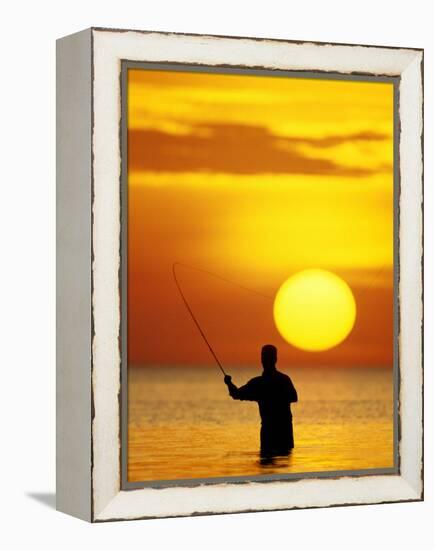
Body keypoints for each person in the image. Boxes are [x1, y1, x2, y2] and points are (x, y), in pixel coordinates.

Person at [224, 344, 298, 457]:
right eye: (264, 357)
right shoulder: (283, 380)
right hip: (283, 432)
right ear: (276, 359)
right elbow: (294, 397)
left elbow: (236, 394)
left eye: (265, 357)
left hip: (272, 433)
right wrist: (229, 384)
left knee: (266, 469)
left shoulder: (258, 383)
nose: (264, 360)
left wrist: (229, 383)